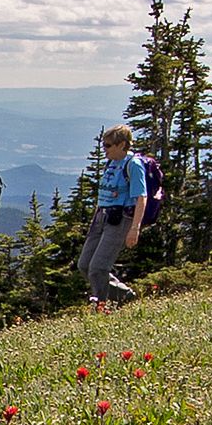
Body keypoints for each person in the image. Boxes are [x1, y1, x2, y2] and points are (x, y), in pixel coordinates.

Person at [83, 126, 144, 309]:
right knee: (84, 264)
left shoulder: (133, 165)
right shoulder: (111, 163)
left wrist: (135, 228)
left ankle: (103, 306)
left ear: (122, 145)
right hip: (101, 217)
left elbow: (142, 197)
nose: (105, 149)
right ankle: (123, 295)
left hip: (120, 219)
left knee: (99, 267)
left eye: (108, 145)